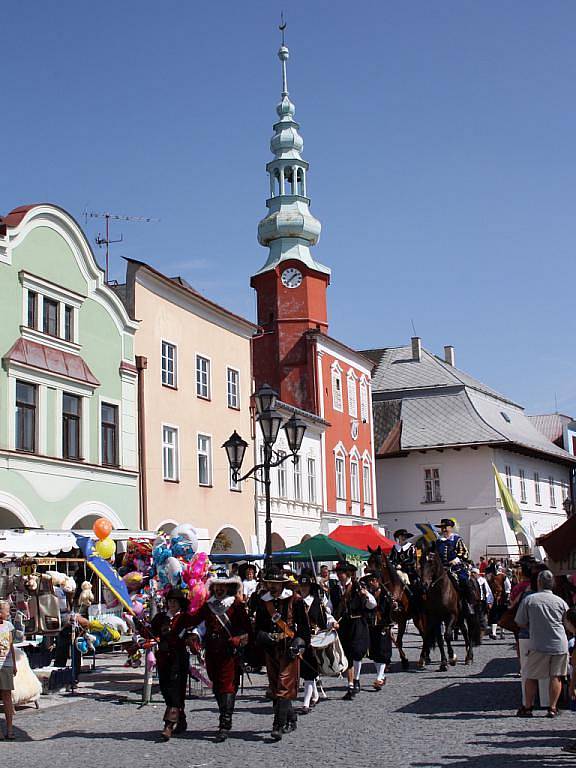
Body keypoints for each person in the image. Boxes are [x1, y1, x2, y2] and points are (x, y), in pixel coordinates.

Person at [187, 572, 251, 741]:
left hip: (229, 652)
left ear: (228, 587)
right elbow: (199, 625)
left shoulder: (236, 605)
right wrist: (194, 636)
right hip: (212, 652)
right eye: (217, 586)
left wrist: (239, 639)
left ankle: (224, 724)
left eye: (223, 586)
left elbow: (247, 629)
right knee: (217, 685)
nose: (220, 589)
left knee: (227, 685)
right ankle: (224, 713)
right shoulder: (208, 606)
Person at [254, 565, 310, 740]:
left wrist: (300, 642)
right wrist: (263, 636)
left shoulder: (295, 600)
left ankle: (277, 725)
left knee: (284, 687)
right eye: (269, 582)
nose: (272, 586)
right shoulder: (263, 602)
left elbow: (304, 628)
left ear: (282, 584)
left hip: (288, 649)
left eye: (276, 583)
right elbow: (259, 626)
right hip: (271, 650)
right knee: (275, 687)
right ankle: (291, 718)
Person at [515, 570, 569, 718]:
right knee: (556, 676)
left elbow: (520, 622)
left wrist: (534, 627)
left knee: (531, 676)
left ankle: (527, 707)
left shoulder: (530, 600)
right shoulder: (560, 601)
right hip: (559, 643)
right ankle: (552, 708)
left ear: (538, 583)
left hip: (538, 643)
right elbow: (568, 622)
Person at [329, 561, 377, 700]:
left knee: (357, 652)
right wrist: (331, 620)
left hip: (358, 622)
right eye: (338, 573)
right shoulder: (334, 589)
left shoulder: (358, 586)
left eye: (341, 573)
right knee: (346, 654)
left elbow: (372, 605)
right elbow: (329, 607)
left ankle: (356, 680)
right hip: (343, 625)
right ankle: (351, 684)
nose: (339, 575)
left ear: (348, 573)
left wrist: (366, 595)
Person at [150, 589, 194, 741]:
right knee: (165, 690)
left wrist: (191, 639)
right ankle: (181, 719)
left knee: (175, 690)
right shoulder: (160, 618)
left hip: (179, 659)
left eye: (175, 601)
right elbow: (150, 632)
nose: (172, 604)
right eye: (170, 601)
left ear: (180, 603)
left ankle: (168, 725)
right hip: (163, 659)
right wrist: (139, 625)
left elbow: (193, 635)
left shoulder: (186, 618)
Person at [297, 569, 337, 713]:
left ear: (310, 587)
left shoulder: (317, 602)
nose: (303, 589)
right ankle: (315, 695)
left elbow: (325, 618)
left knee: (309, 672)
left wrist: (332, 623)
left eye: (306, 587)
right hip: (299, 641)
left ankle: (306, 704)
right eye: (301, 587)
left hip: (314, 640)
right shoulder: (295, 602)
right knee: (306, 672)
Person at [362, 572, 393, 690]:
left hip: (382, 625)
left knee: (382, 650)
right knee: (374, 651)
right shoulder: (367, 594)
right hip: (371, 625)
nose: (371, 582)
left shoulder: (385, 593)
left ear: (378, 581)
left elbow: (388, 609)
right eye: (370, 580)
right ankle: (381, 675)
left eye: (373, 580)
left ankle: (379, 677)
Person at [435, 518, 475, 609]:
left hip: (455, 567)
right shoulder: (438, 541)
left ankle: (469, 603)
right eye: (442, 527)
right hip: (442, 568)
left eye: (445, 527)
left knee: (464, 580)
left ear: (451, 528)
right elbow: (436, 554)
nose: (443, 529)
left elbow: (465, 553)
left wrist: (456, 559)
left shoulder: (457, 539)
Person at [0, 600, 17, 740]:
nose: (8, 613)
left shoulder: (9, 626)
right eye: (7, 611)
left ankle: (10, 728)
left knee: (7, 697)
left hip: (6, 664)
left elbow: (11, 646)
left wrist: (14, 664)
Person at [471, 567, 493, 637]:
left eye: (474, 573)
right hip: (473, 602)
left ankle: (482, 631)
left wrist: (489, 601)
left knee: (481, 617)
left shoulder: (482, 580)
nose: (473, 574)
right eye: (472, 573)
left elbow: (488, 591)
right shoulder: (470, 581)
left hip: (481, 601)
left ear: (477, 574)